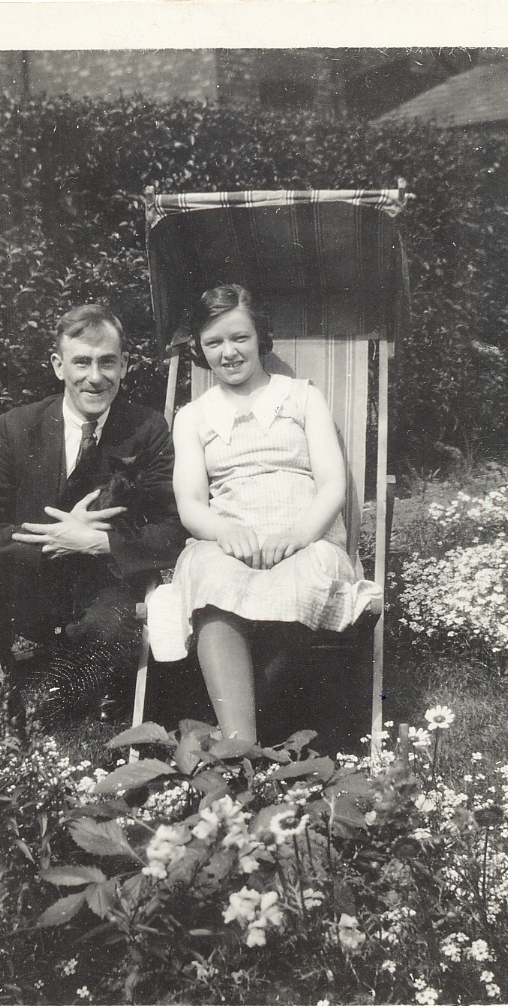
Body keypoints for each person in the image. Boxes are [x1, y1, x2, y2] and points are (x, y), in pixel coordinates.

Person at [147, 285, 381, 743]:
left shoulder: (301, 397)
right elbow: (190, 503)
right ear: (200, 348)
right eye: (214, 342)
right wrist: (223, 531)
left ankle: (250, 738)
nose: (228, 352)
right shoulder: (193, 416)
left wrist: (299, 534)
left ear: (261, 338)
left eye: (240, 338)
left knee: (305, 579)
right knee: (211, 582)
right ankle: (242, 747)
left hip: (306, 536)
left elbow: (332, 484)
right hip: (226, 540)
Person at [0, 304, 186, 705]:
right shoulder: (17, 427)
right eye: (82, 362)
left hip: (105, 587)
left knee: (108, 635)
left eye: (107, 362)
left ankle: (64, 697)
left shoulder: (148, 429)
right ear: (59, 366)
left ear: (124, 365)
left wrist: (97, 542)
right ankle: (4, 697)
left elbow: (176, 529)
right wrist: (53, 539)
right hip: (32, 587)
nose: (95, 377)